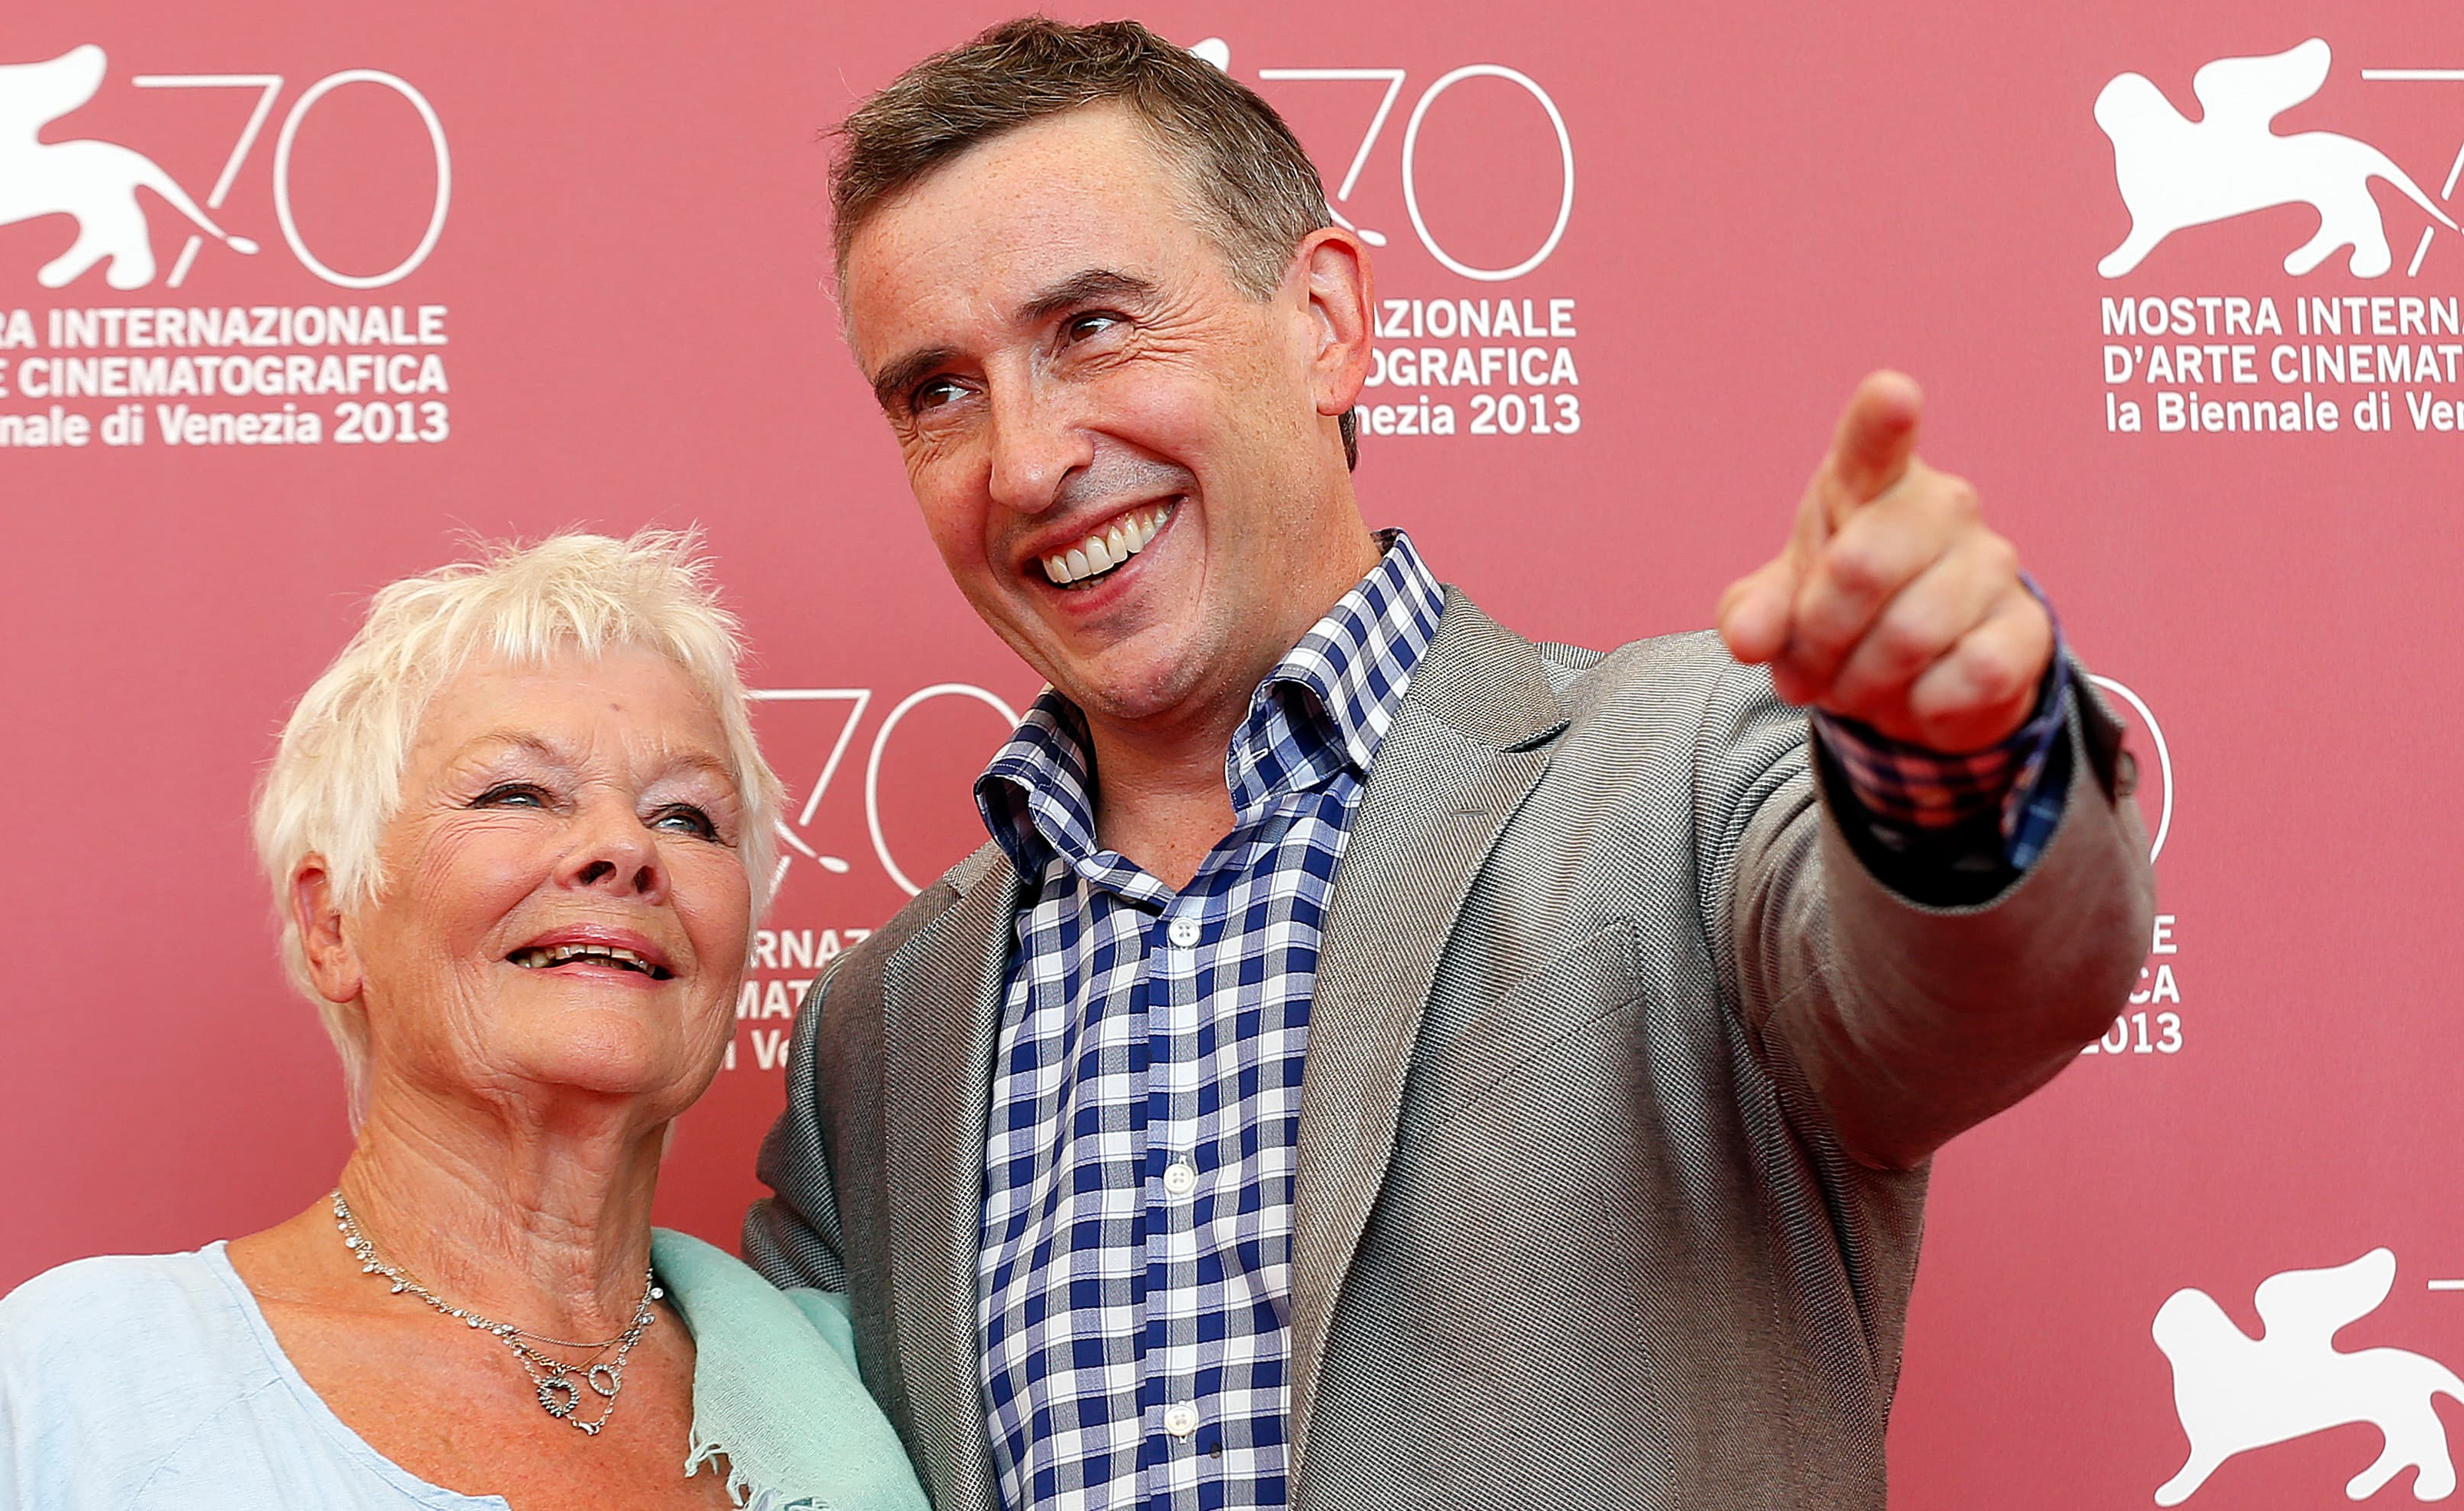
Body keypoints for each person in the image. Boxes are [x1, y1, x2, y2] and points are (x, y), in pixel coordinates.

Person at [746, 18, 2153, 1511]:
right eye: (936, 392)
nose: (1024, 462)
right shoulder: (876, 1031)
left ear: (1325, 322)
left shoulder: (1681, 768)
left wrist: (1948, 752)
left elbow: (1968, 995)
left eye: (1090, 327)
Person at [0, 533, 931, 1511]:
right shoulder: (87, 1387)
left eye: (686, 818)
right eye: (520, 792)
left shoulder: (863, 1394)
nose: (624, 847)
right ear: (334, 922)